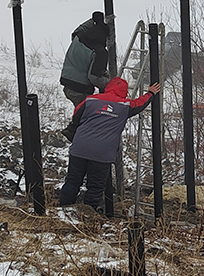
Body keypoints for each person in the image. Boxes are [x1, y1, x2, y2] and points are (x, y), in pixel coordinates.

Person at [58, 77, 160, 211]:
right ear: (123, 91)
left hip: (80, 148)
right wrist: (150, 93)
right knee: (95, 186)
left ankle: (63, 210)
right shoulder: (125, 105)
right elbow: (140, 104)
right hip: (102, 153)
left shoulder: (90, 100)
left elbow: (76, 116)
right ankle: (88, 214)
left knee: (73, 181)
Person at [60, 11, 111, 140]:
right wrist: (108, 82)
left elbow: (79, 28)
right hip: (81, 89)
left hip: (67, 83)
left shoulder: (79, 37)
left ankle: (74, 133)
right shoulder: (100, 52)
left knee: (82, 113)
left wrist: (95, 21)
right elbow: (94, 77)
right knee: (84, 118)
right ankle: (74, 135)